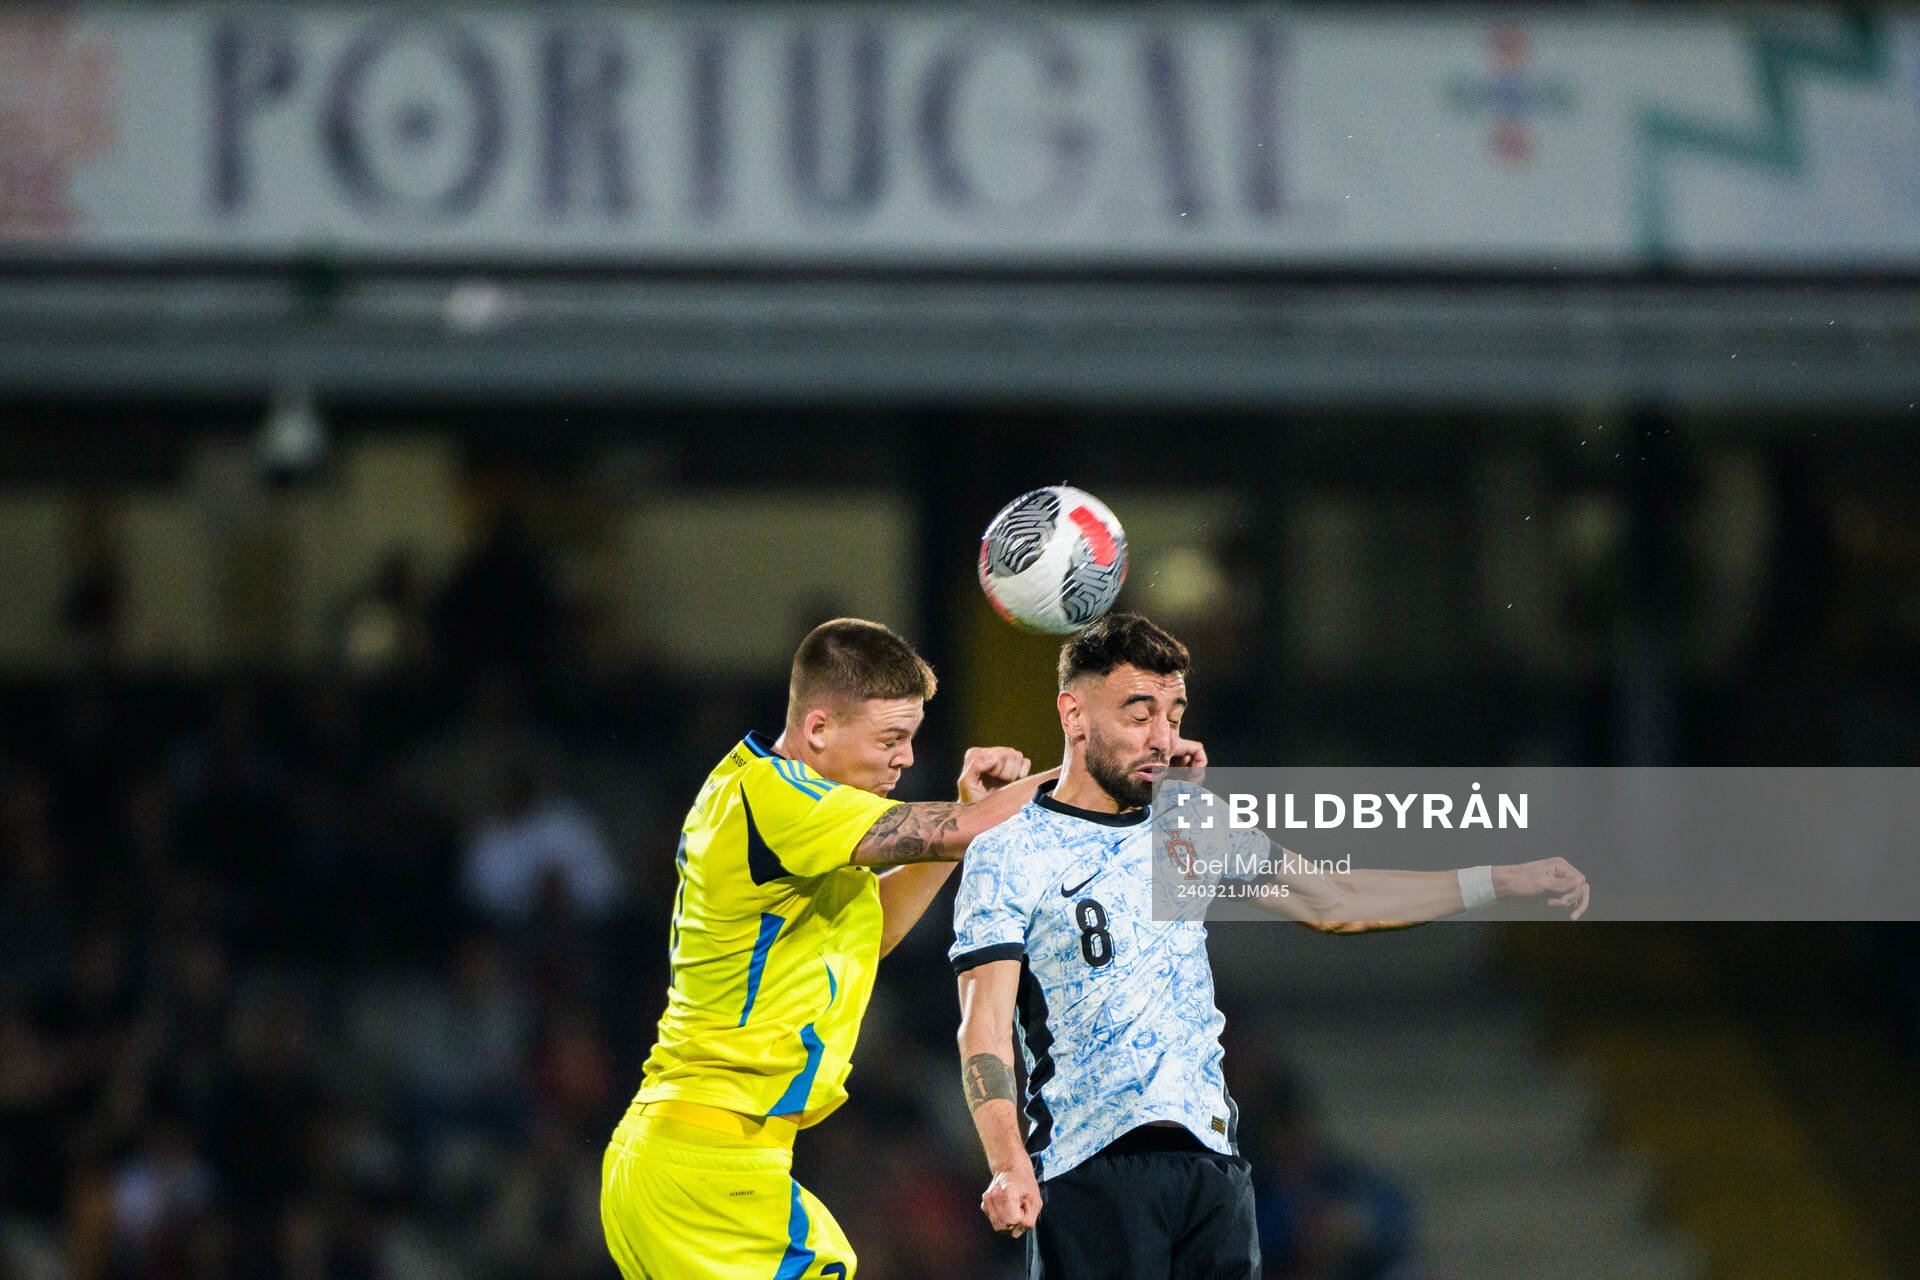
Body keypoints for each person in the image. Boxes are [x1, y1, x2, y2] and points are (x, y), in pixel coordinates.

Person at [949, 613, 1588, 1279]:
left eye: (1174, 714)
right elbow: (984, 1024)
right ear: (1073, 714)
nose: (1162, 736)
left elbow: (1337, 903)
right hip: (1089, 1169)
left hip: (1213, 1170)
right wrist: (1007, 1160)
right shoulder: (1011, 849)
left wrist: (1497, 880)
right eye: (1139, 713)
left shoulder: (1188, 825)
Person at [601, 618, 1053, 1280]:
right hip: (710, 1171)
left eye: (911, 739)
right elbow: (976, 826)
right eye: (890, 739)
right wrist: (1110, 773)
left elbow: (876, 929)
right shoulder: (775, 798)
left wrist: (960, 825)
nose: (904, 758)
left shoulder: (786, 813)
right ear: (818, 730)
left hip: (691, 1164)